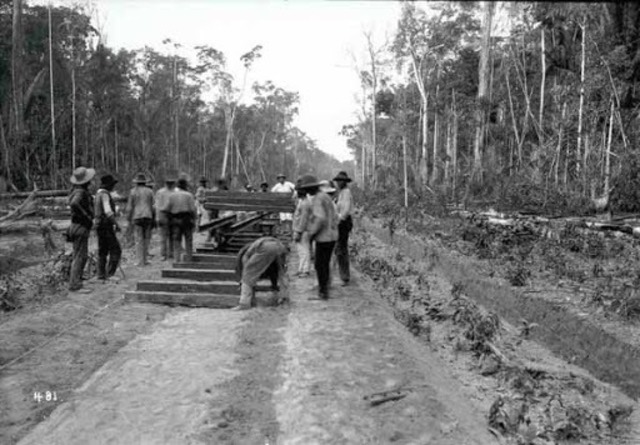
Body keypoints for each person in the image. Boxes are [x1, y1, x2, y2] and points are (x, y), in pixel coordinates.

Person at [296, 174, 338, 300]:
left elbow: (320, 217)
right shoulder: (325, 196)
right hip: (332, 235)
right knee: (324, 264)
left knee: (320, 265)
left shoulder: (318, 199)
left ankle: (323, 292)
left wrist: (311, 233)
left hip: (324, 237)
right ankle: (324, 291)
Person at [232, 236, 289, 310]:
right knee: (281, 273)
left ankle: (244, 304)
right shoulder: (253, 246)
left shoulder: (246, 253)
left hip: (266, 247)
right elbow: (274, 272)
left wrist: (244, 279)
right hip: (280, 246)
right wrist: (274, 286)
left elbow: (246, 269)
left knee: (248, 275)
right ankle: (284, 298)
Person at [67, 166, 96, 292]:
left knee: (79, 255)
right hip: (80, 227)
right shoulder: (80, 192)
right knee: (80, 256)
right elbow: (74, 203)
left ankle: (77, 280)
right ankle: (74, 284)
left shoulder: (78, 190)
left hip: (76, 226)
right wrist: (87, 216)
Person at [94, 174, 122, 282]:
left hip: (99, 225)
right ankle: (110, 274)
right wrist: (116, 224)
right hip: (106, 225)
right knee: (116, 249)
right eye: (112, 185)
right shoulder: (105, 194)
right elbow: (108, 211)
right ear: (108, 185)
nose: (113, 187)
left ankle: (100, 275)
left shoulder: (98, 194)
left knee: (103, 250)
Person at [126, 173, 155, 266]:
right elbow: (153, 206)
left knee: (138, 239)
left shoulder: (133, 191)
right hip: (148, 216)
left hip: (137, 216)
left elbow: (130, 207)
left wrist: (128, 218)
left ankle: (139, 261)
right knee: (146, 238)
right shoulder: (150, 191)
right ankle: (145, 259)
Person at [168, 175, 197, 262]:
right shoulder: (189, 195)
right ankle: (189, 258)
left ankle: (177, 259)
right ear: (185, 186)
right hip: (186, 219)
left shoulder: (172, 195)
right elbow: (193, 209)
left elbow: (168, 208)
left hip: (175, 219)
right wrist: (194, 220)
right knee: (188, 239)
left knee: (177, 240)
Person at [333, 171, 354, 286]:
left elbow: (345, 210)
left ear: (344, 182)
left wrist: (339, 221)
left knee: (341, 249)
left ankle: (345, 276)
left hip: (343, 222)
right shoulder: (340, 192)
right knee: (339, 248)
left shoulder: (346, 192)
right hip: (340, 221)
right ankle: (343, 275)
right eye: (337, 181)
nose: (338, 183)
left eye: (340, 181)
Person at [292, 180, 313, 278]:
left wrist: (298, 232)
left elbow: (303, 220)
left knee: (304, 250)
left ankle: (305, 270)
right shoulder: (302, 201)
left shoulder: (305, 203)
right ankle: (301, 269)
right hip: (301, 229)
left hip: (303, 230)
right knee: (301, 251)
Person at [155, 175, 176, 261]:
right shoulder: (160, 192)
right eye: (169, 183)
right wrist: (157, 217)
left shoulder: (175, 192)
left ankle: (170, 253)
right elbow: (157, 205)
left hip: (172, 214)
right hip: (163, 214)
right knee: (163, 236)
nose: (170, 184)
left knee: (171, 235)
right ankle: (163, 254)